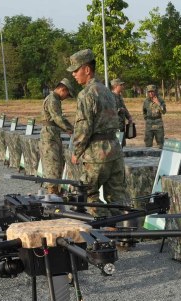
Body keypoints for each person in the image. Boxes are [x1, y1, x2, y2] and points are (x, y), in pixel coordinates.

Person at [67, 49, 129, 213]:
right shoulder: (107, 91)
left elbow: (83, 127)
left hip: (96, 153)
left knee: (87, 196)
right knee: (117, 197)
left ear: (87, 70)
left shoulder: (86, 94)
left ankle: (104, 227)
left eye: (76, 70)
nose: (73, 74)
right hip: (114, 149)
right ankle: (122, 233)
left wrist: (76, 151)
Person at [40, 78, 75, 194]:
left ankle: (56, 193)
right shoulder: (52, 99)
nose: (66, 97)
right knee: (52, 166)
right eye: (67, 94)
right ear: (62, 89)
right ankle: (53, 195)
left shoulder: (54, 99)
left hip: (53, 135)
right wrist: (70, 129)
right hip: (49, 137)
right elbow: (57, 118)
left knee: (57, 165)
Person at [109, 78, 133, 147]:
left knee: (122, 144)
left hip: (121, 125)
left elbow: (124, 107)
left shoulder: (119, 96)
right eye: (121, 85)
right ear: (116, 86)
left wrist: (129, 117)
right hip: (115, 125)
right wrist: (119, 110)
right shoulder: (110, 96)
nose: (123, 86)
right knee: (117, 145)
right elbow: (108, 110)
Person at [142, 84, 166, 149]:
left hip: (158, 123)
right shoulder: (146, 101)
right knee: (148, 142)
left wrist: (158, 103)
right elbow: (144, 111)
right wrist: (147, 119)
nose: (151, 93)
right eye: (149, 92)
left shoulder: (160, 100)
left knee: (160, 141)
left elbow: (164, 112)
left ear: (155, 91)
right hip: (149, 123)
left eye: (152, 91)